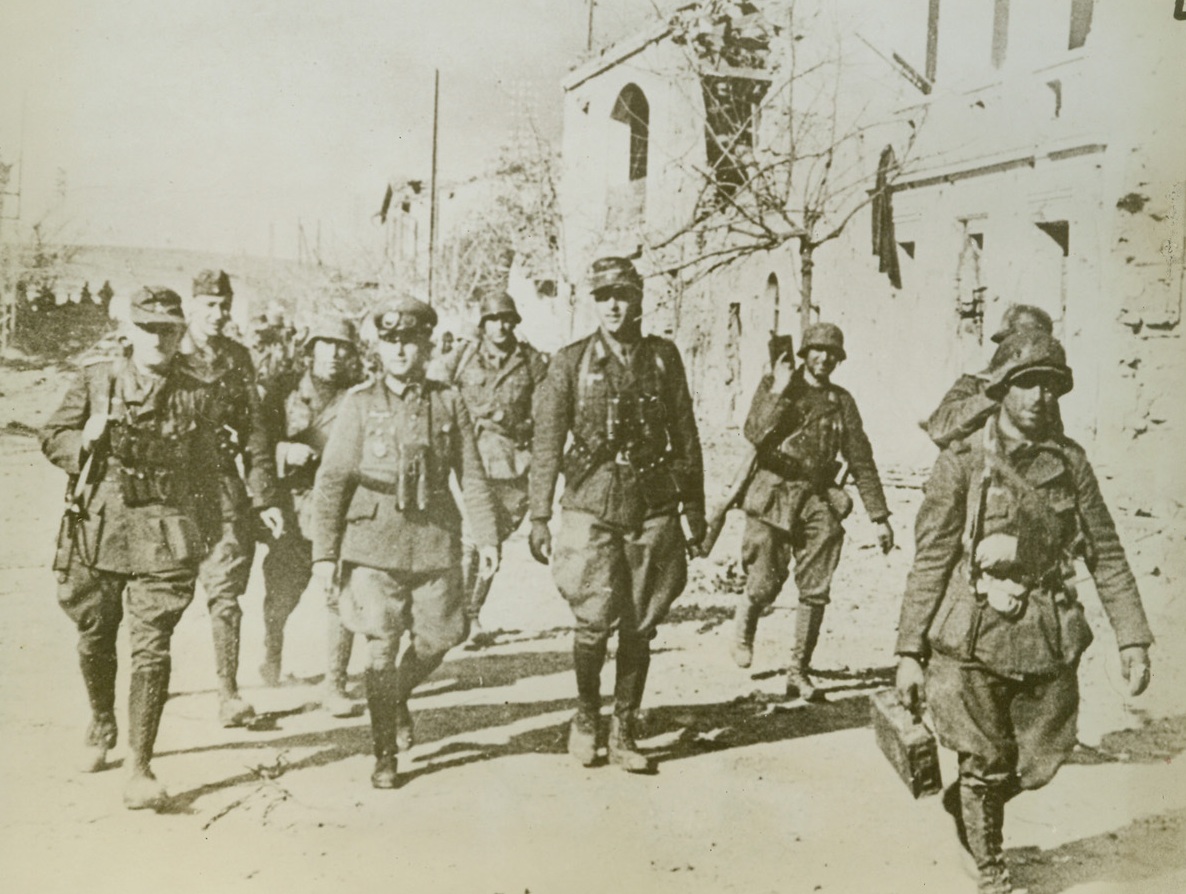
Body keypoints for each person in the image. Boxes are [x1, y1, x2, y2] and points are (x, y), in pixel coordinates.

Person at [894, 329, 1153, 894]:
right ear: (1002, 389)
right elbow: (932, 558)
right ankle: (989, 866)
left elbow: (1104, 549)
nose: (1040, 397)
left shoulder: (1070, 462)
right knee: (984, 759)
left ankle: (968, 800)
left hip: (1045, 630)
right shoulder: (961, 462)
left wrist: (1132, 637)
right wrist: (909, 651)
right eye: (1027, 384)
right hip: (970, 632)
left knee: (1040, 758)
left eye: (1051, 387)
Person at [41, 287, 221, 810]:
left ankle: (140, 766)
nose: (159, 338)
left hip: (165, 536)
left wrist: (204, 538)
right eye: (149, 328)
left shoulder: (196, 391)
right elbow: (51, 433)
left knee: (152, 647)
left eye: (169, 328)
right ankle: (101, 721)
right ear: (130, 331)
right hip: (98, 531)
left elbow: (208, 471)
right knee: (95, 634)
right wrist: (85, 443)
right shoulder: (97, 380)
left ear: (180, 332)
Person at [310, 296, 500, 789]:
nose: (400, 350)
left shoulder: (448, 400)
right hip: (372, 541)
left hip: (435, 536)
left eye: (411, 341)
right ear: (377, 346)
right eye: (391, 341)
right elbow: (332, 482)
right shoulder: (358, 402)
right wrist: (325, 554)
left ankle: (393, 697)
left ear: (427, 345)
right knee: (379, 645)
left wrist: (488, 534)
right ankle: (383, 755)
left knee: (443, 634)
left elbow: (472, 476)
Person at [529, 256, 706, 773]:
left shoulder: (662, 358)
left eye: (622, 295)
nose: (613, 305)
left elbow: (686, 434)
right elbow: (547, 441)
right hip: (591, 498)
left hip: (652, 500)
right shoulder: (570, 361)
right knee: (591, 620)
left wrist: (693, 507)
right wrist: (539, 514)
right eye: (603, 296)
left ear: (639, 300)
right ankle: (586, 717)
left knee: (640, 621)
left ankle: (624, 726)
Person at [733, 322, 893, 699]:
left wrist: (880, 516)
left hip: (817, 496)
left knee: (816, 585)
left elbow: (860, 457)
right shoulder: (780, 384)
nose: (824, 359)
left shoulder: (841, 401)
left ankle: (797, 670)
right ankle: (747, 620)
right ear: (804, 353)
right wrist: (778, 388)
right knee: (764, 579)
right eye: (817, 351)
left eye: (832, 354)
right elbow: (754, 432)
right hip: (773, 491)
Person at [175, 269, 284, 727]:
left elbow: (256, 430)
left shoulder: (238, 357)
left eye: (224, 305)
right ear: (192, 306)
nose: (218, 314)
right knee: (159, 595)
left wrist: (264, 497)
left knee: (225, 596)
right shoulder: (170, 351)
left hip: (221, 488)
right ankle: (146, 683)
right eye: (209, 306)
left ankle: (228, 693)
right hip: (172, 491)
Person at [258, 316, 363, 715]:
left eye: (343, 347)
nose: (334, 354)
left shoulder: (359, 397)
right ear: (311, 348)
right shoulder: (282, 391)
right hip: (293, 507)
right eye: (326, 344)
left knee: (341, 593)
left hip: (340, 510)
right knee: (282, 591)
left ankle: (334, 683)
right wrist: (286, 452)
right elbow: (257, 446)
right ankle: (271, 655)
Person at [442, 291, 548, 645]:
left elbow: (546, 413)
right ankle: (464, 618)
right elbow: (437, 388)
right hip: (467, 459)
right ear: (482, 323)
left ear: (514, 323)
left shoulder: (531, 362)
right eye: (492, 319)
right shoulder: (463, 356)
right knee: (472, 539)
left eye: (506, 319)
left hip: (512, 464)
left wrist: (514, 422)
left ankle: (469, 612)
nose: (499, 326)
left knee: (492, 542)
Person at [923, 304, 1055, 449]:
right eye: (1019, 345)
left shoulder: (1041, 395)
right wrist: (997, 391)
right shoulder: (973, 384)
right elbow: (939, 429)